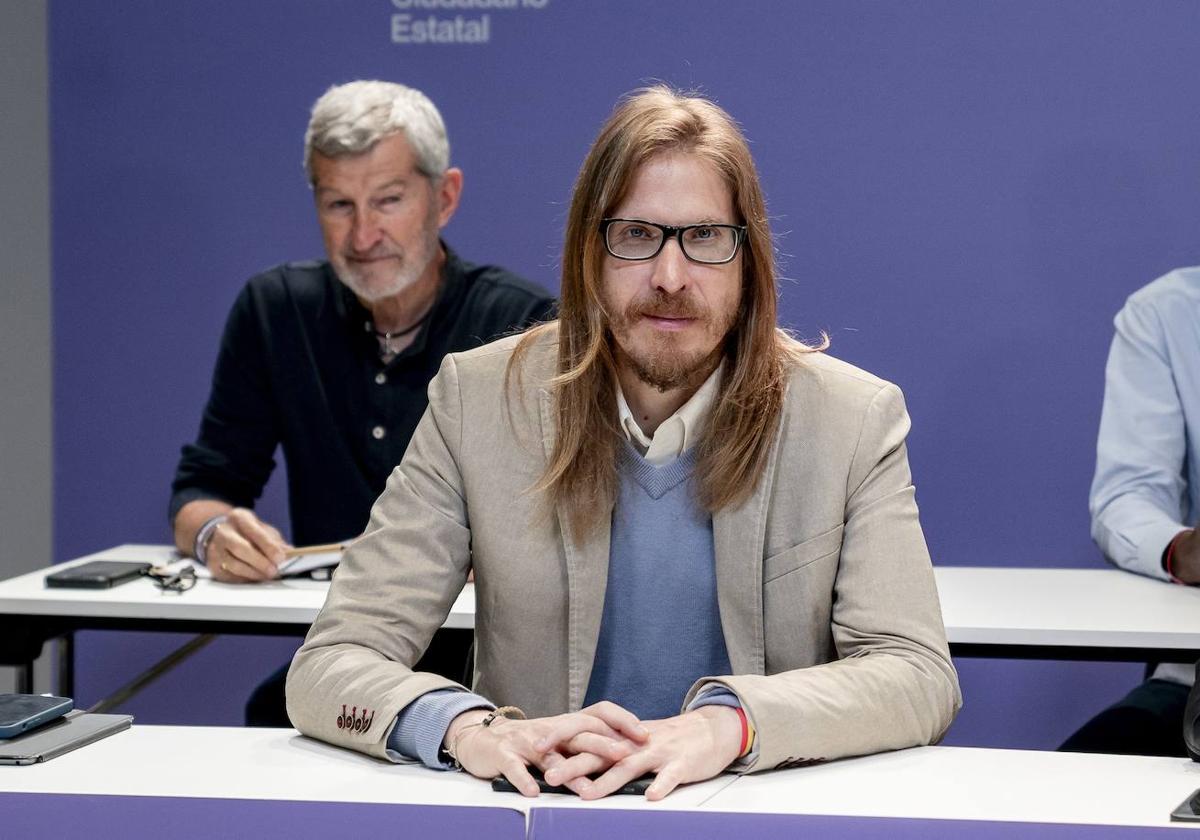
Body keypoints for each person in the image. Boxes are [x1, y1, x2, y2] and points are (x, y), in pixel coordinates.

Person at [286, 86, 960, 800]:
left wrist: (727, 726)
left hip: (755, 815)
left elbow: (914, 674)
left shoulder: (850, 419)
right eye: (636, 236)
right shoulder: (479, 402)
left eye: (704, 238)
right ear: (590, 252)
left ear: (748, 259)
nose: (670, 278)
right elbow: (333, 662)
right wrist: (468, 730)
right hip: (545, 816)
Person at [169, 80, 555, 725]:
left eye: (389, 201)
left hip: (487, 672)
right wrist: (215, 533)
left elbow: (570, 524)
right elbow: (202, 487)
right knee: (270, 718)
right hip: (350, 654)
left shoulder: (524, 325)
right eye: (339, 204)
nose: (363, 234)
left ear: (445, 198)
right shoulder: (277, 311)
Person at [1061, 268, 1200, 757]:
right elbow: (1127, 496)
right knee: (1059, 795)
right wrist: (1181, 550)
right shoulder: (1168, 312)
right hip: (1194, 683)